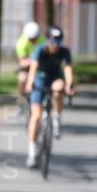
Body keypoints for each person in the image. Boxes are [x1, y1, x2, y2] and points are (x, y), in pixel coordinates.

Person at [24, 26, 74, 168]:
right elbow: (33, 68)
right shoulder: (39, 49)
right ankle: (32, 151)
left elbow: (68, 69)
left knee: (59, 89)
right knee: (36, 116)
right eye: (52, 43)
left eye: (57, 43)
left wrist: (69, 84)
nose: (54, 47)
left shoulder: (64, 52)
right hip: (40, 79)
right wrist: (29, 84)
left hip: (55, 78)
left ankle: (57, 118)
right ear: (47, 41)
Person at [14, 22, 45, 114]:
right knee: (22, 79)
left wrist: (33, 61)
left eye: (34, 39)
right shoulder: (21, 43)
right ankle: (20, 102)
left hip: (40, 65)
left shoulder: (42, 41)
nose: (33, 41)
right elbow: (22, 62)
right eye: (30, 39)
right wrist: (33, 61)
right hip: (27, 66)